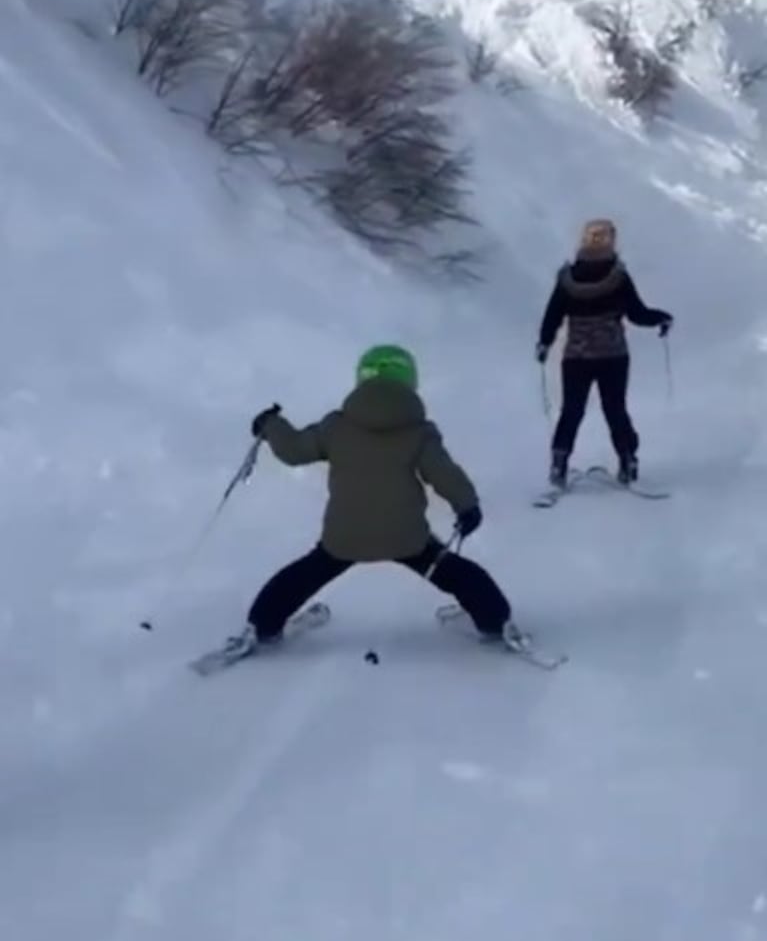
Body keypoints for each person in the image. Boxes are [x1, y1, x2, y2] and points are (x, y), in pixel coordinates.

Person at [243, 344, 519, 647]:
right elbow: (444, 473)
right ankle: (495, 621)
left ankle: (262, 625)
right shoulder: (419, 432)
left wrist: (271, 425)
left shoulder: (336, 426)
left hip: (344, 536)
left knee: (304, 576)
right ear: (410, 382)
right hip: (406, 536)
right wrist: (467, 506)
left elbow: (294, 451)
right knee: (457, 574)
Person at [535, 219, 673, 488]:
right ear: (612, 241)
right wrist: (662, 318)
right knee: (615, 409)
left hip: (576, 357)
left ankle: (559, 464)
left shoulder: (567, 278)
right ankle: (627, 460)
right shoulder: (618, 278)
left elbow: (552, 315)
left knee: (572, 410)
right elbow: (637, 314)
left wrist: (544, 343)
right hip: (613, 355)